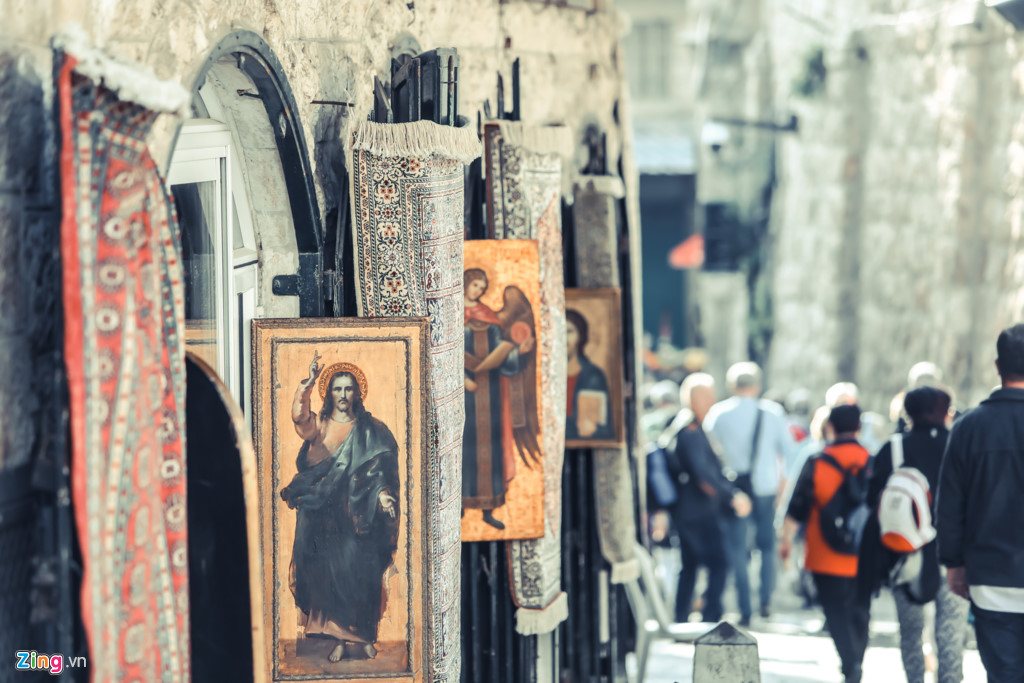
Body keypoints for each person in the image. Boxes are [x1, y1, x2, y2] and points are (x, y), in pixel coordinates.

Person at [281, 352, 400, 663]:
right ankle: (339, 639)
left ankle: (364, 637)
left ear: (357, 393)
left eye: (348, 388)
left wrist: (383, 495)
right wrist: (307, 384)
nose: (343, 394)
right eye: (337, 389)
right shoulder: (320, 425)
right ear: (329, 393)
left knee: (361, 574)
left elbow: (380, 472)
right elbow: (299, 419)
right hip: (324, 516)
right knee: (330, 577)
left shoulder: (372, 430)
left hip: (360, 516)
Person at [863, 386, 968, 683]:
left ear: (906, 412)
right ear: (946, 412)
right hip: (954, 554)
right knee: (950, 631)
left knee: (910, 631)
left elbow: (872, 501)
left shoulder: (893, 449)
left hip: (904, 553)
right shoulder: (959, 445)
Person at [937, 323, 1024, 682]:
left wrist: (953, 563)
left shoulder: (968, 427)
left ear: (997, 366)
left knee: (1003, 673)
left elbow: (950, 504)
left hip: (990, 579)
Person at [780, 405, 872, 683]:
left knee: (835, 611)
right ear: (859, 428)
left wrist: (785, 542)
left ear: (830, 426)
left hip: (824, 552)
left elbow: (797, 507)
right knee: (860, 609)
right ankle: (856, 661)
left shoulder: (817, 461)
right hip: (864, 552)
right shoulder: (872, 461)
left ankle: (850, 664)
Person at [704, 362, 796, 625]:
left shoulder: (718, 414)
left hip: (734, 492)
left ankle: (745, 608)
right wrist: (783, 487)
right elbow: (789, 454)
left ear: (732, 385)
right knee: (767, 546)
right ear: (757, 385)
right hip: (766, 487)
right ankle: (765, 600)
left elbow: (708, 452)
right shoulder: (773, 413)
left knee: (738, 549)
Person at [661, 373, 752, 622]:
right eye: (707, 397)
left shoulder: (691, 426)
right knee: (718, 563)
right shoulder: (689, 430)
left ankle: (683, 618)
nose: (712, 402)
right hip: (697, 511)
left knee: (690, 566)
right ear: (693, 399)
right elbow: (703, 476)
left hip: (691, 510)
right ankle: (709, 618)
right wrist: (731, 496)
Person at [463, 268, 535, 530]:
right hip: (462, 396)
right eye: (475, 285)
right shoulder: (451, 313)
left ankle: (488, 510)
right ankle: (458, 506)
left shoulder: (489, 317)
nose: (479, 291)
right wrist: (462, 379)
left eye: (482, 287)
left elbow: (501, 356)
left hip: (491, 391)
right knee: (463, 447)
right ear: (465, 283)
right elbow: (441, 350)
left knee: (489, 449)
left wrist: (519, 353)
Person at [566, 309, 614, 441]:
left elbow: (604, 428)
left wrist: (593, 428)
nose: (564, 339)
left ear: (580, 336)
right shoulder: (544, 378)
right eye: (559, 332)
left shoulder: (593, 376)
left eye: (569, 332)